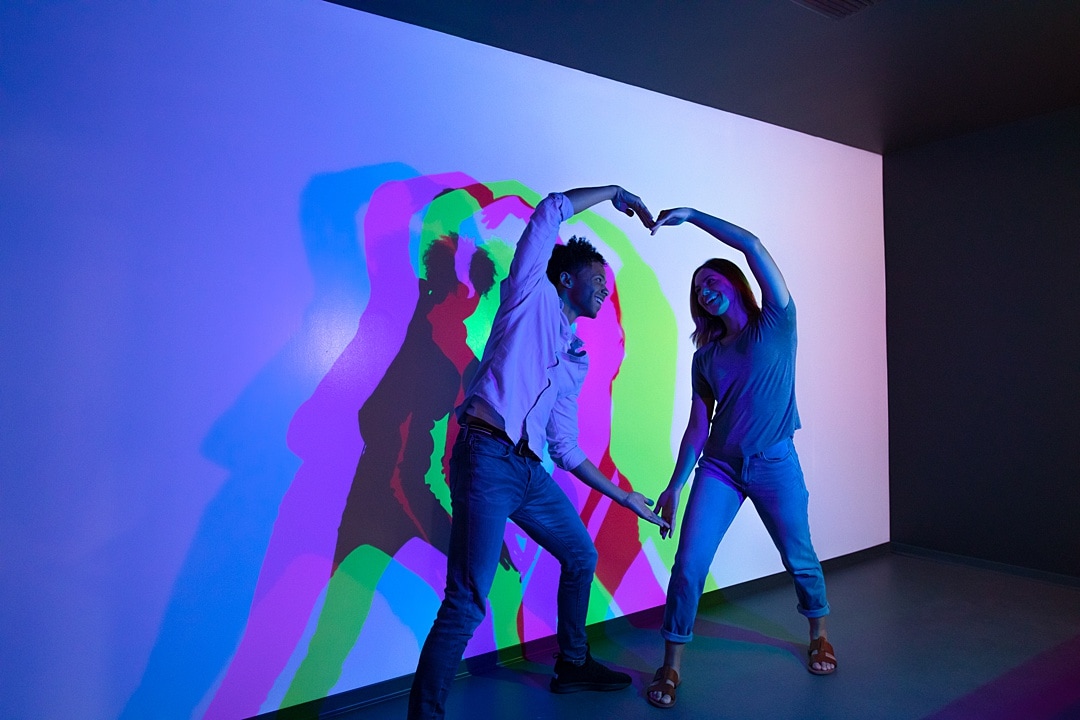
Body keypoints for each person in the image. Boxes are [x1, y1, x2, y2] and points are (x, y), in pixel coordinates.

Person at [408, 185, 669, 720]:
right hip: (485, 455)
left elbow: (566, 449)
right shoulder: (531, 294)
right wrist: (615, 193)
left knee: (580, 554)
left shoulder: (574, 356)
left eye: (607, 282)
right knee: (467, 600)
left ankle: (572, 664)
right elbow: (552, 208)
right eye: (597, 278)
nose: (604, 288)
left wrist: (627, 498)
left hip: (526, 471)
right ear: (567, 279)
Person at [646, 207, 836, 710]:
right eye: (697, 289)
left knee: (799, 557)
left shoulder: (777, 321)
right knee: (688, 565)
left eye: (710, 280)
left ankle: (818, 631)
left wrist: (689, 215)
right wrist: (674, 485)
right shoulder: (704, 357)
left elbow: (751, 244)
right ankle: (671, 667)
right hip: (719, 469)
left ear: (732, 281)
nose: (704, 290)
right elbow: (696, 428)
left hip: (774, 462)